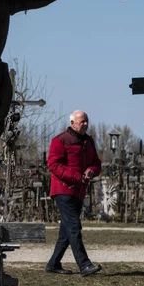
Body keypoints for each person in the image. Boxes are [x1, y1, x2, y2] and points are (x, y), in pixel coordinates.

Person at [45, 110, 103, 276]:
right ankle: (84, 265)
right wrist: (77, 177)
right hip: (63, 190)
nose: (85, 124)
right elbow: (53, 165)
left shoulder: (88, 141)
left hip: (78, 191)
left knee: (66, 231)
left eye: (86, 121)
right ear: (72, 123)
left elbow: (96, 164)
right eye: (82, 121)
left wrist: (92, 171)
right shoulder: (60, 140)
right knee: (74, 227)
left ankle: (53, 264)